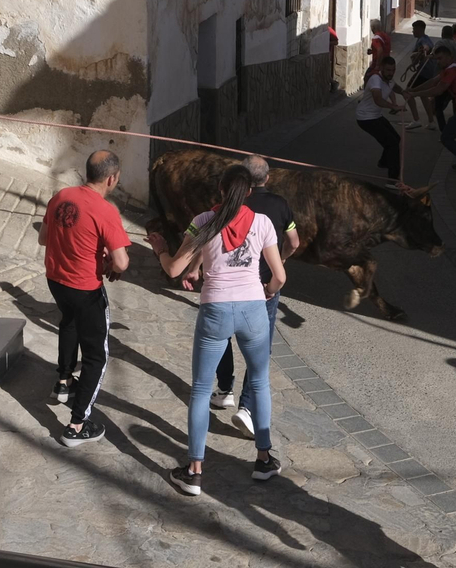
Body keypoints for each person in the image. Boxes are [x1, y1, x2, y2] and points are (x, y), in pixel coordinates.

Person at [151, 165, 288, 496]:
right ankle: (264, 459)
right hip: (253, 309)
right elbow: (280, 276)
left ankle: (195, 471)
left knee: (201, 390)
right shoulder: (262, 223)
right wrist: (267, 290)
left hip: (215, 311)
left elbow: (173, 268)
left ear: (221, 189)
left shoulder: (202, 222)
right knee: (259, 381)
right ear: (249, 193)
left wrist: (159, 247)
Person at [39, 150, 133, 448]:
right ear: (112, 178)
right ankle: (77, 424)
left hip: (56, 279)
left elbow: (44, 238)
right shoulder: (105, 211)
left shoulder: (61, 196)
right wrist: (106, 262)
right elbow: (121, 263)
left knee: (68, 324)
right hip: (85, 288)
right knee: (96, 355)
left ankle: (64, 381)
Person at [211, 155, 300, 438]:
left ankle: (224, 389)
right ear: (268, 179)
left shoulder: (231, 206)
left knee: (222, 336)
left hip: (229, 286)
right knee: (259, 348)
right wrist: (279, 265)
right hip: (264, 287)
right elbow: (294, 241)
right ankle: (247, 408)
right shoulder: (280, 206)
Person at [406, 42, 456, 178]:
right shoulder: (455, 66)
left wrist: (414, 94)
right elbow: (433, 82)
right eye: (436, 59)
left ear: (449, 57)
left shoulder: (452, 70)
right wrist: (413, 89)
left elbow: (438, 89)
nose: (438, 62)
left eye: (440, 58)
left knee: (446, 137)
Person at [355, 57, 407, 183]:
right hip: (365, 118)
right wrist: (394, 106)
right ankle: (393, 180)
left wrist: (404, 93)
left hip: (375, 116)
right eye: (388, 70)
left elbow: (395, 86)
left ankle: (384, 162)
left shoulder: (388, 80)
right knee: (392, 144)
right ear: (381, 69)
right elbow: (378, 100)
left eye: (393, 70)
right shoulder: (375, 80)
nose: (391, 73)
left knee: (396, 139)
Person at [404, 20, 437, 129]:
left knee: (407, 92)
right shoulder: (425, 38)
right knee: (423, 95)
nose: (413, 31)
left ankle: (416, 119)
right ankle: (431, 122)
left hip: (424, 72)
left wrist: (424, 50)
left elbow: (426, 47)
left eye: (414, 29)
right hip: (429, 72)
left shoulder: (423, 40)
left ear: (419, 29)